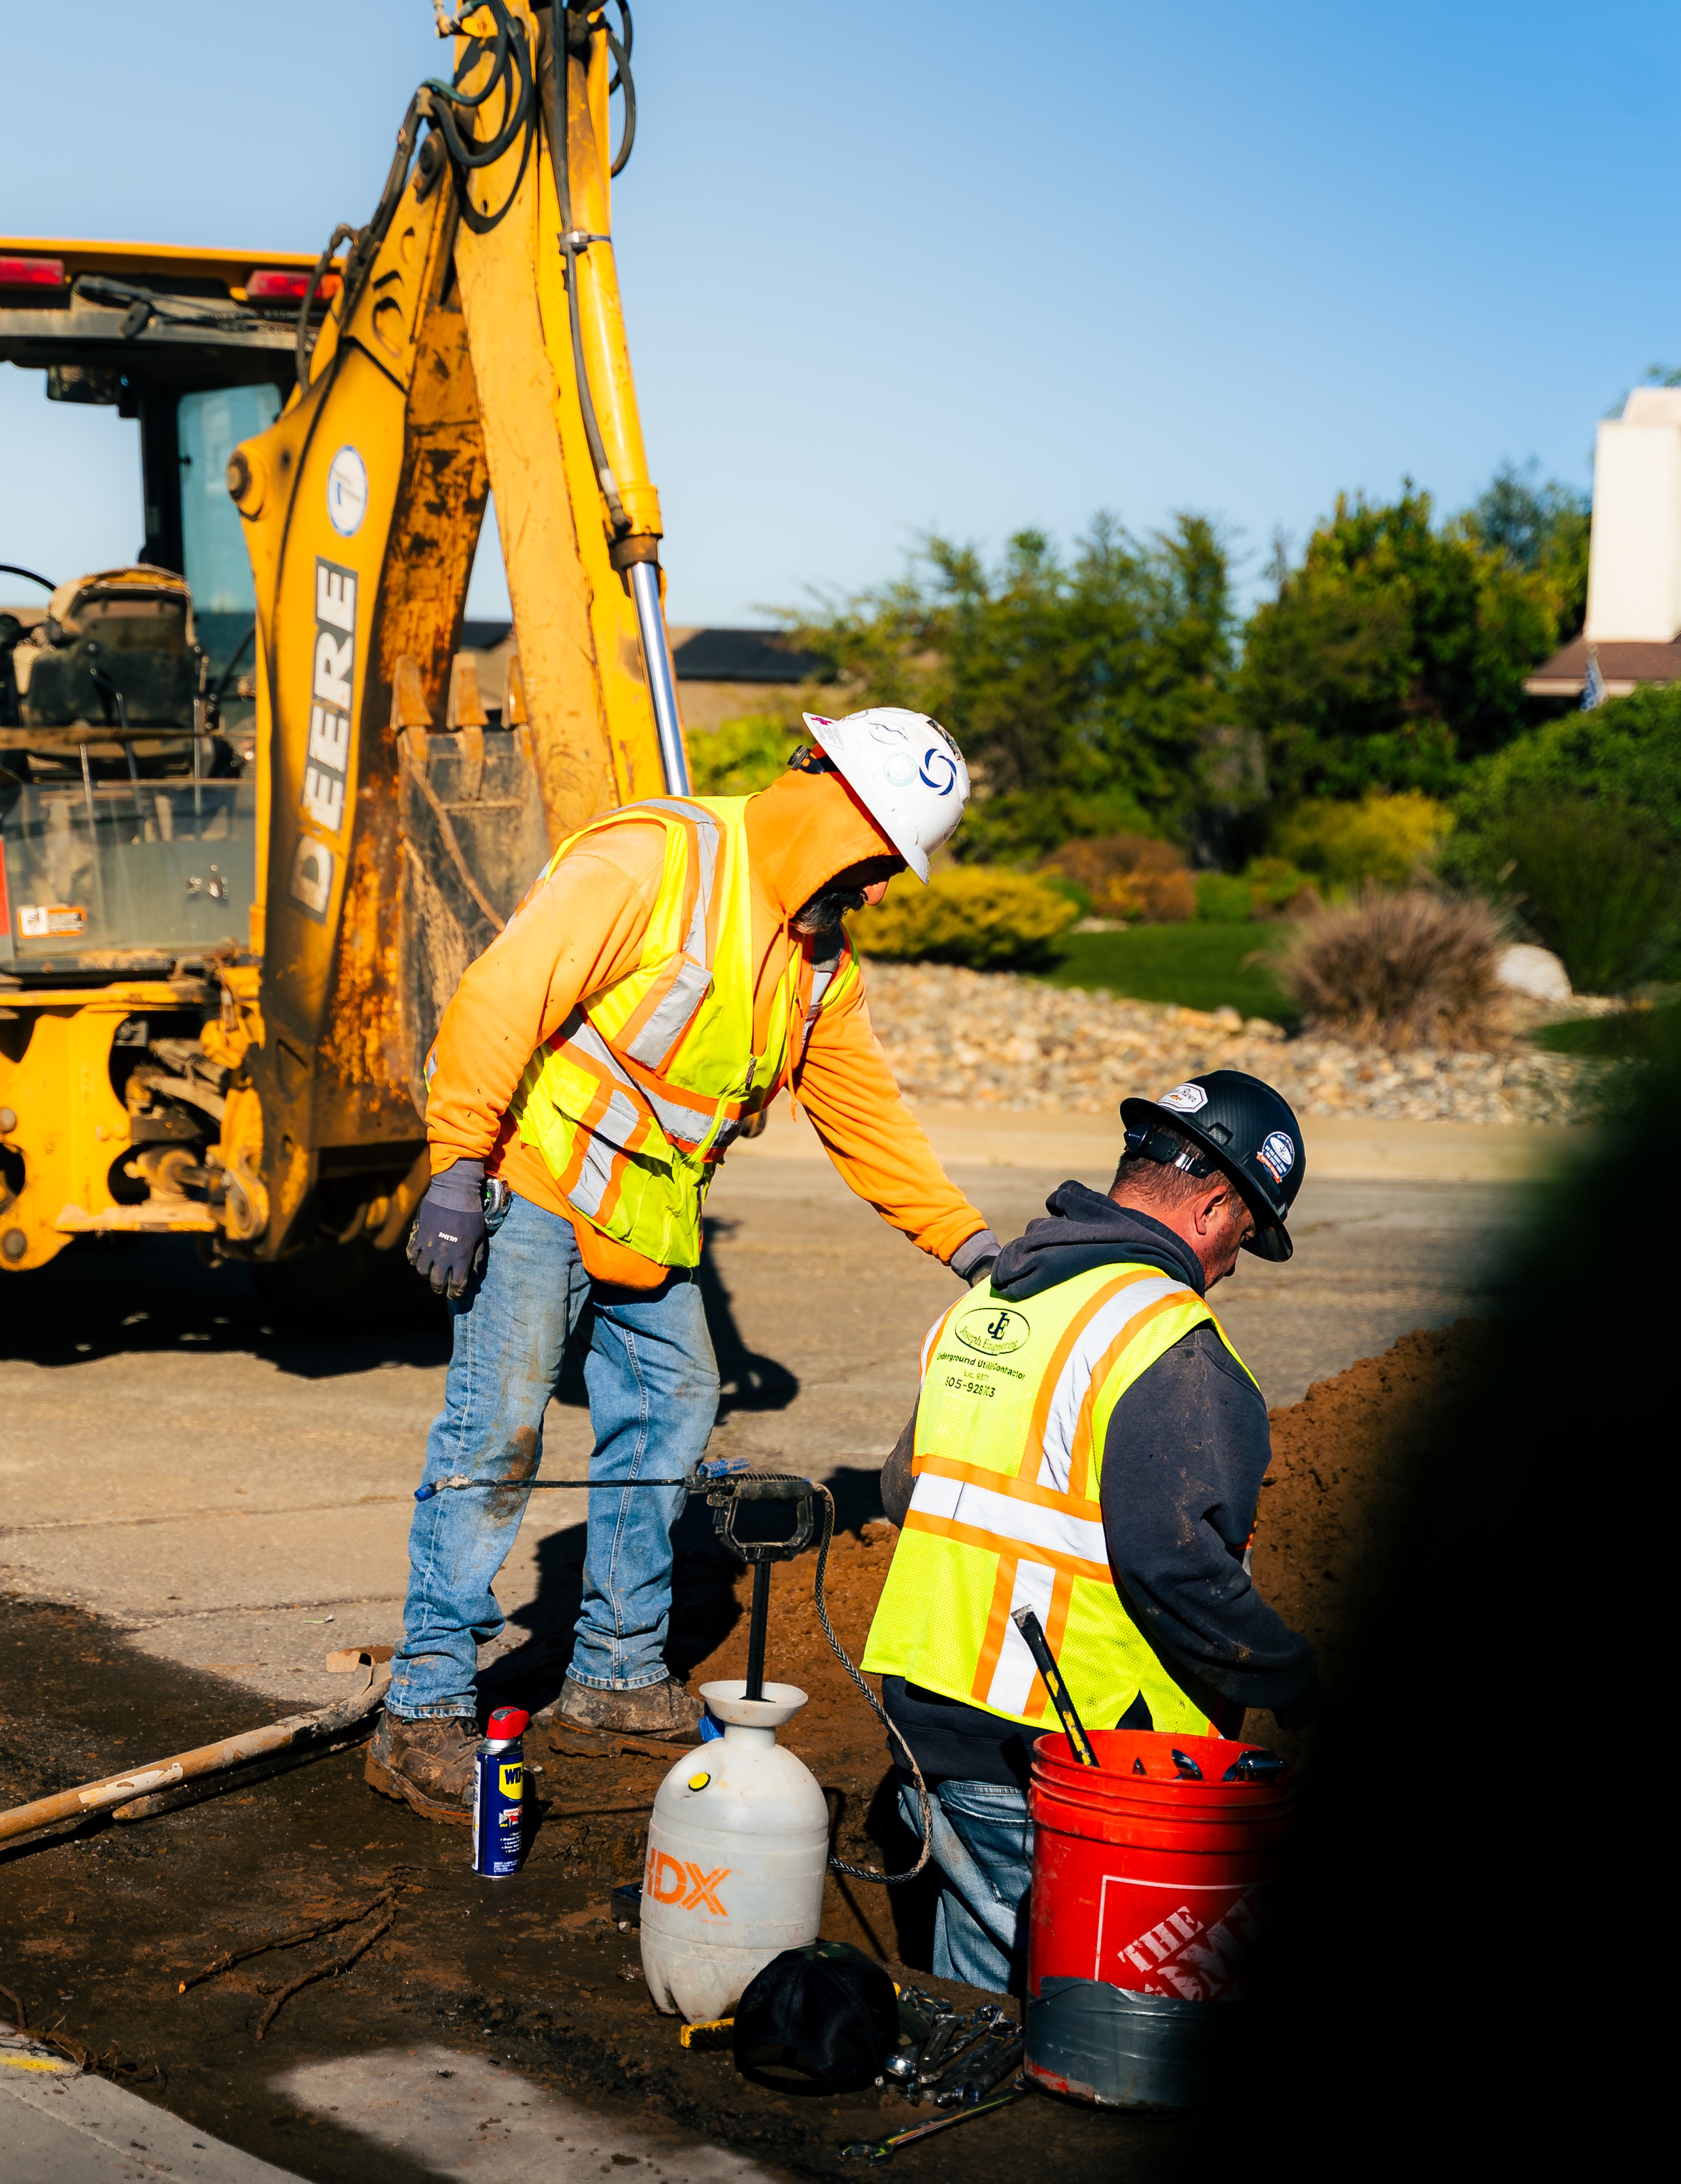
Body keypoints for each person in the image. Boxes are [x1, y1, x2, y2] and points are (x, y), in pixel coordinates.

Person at [366, 709, 1002, 1823]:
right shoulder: (653, 859)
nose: (883, 889)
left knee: (676, 1398)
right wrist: (458, 1165)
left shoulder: (816, 966)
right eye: (880, 859)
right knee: (497, 1437)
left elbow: (869, 1120)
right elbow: (500, 995)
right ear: (830, 800)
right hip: (536, 1175)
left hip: (647, 1216)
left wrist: (970, 1242)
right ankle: (421, 1705)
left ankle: (612, 1668)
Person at [860, 1069, 1321, 1993]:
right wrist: (1292, 1677)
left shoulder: (990, 1300)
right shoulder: (1168, 1336)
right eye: (1243, 1237)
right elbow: (1176, 1565)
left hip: (927, 1715)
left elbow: (905, 1485)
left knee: (972, 2005)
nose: (1230, 1265)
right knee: (1057, 2031)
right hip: (1058, 1750)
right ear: (1217, 1205)